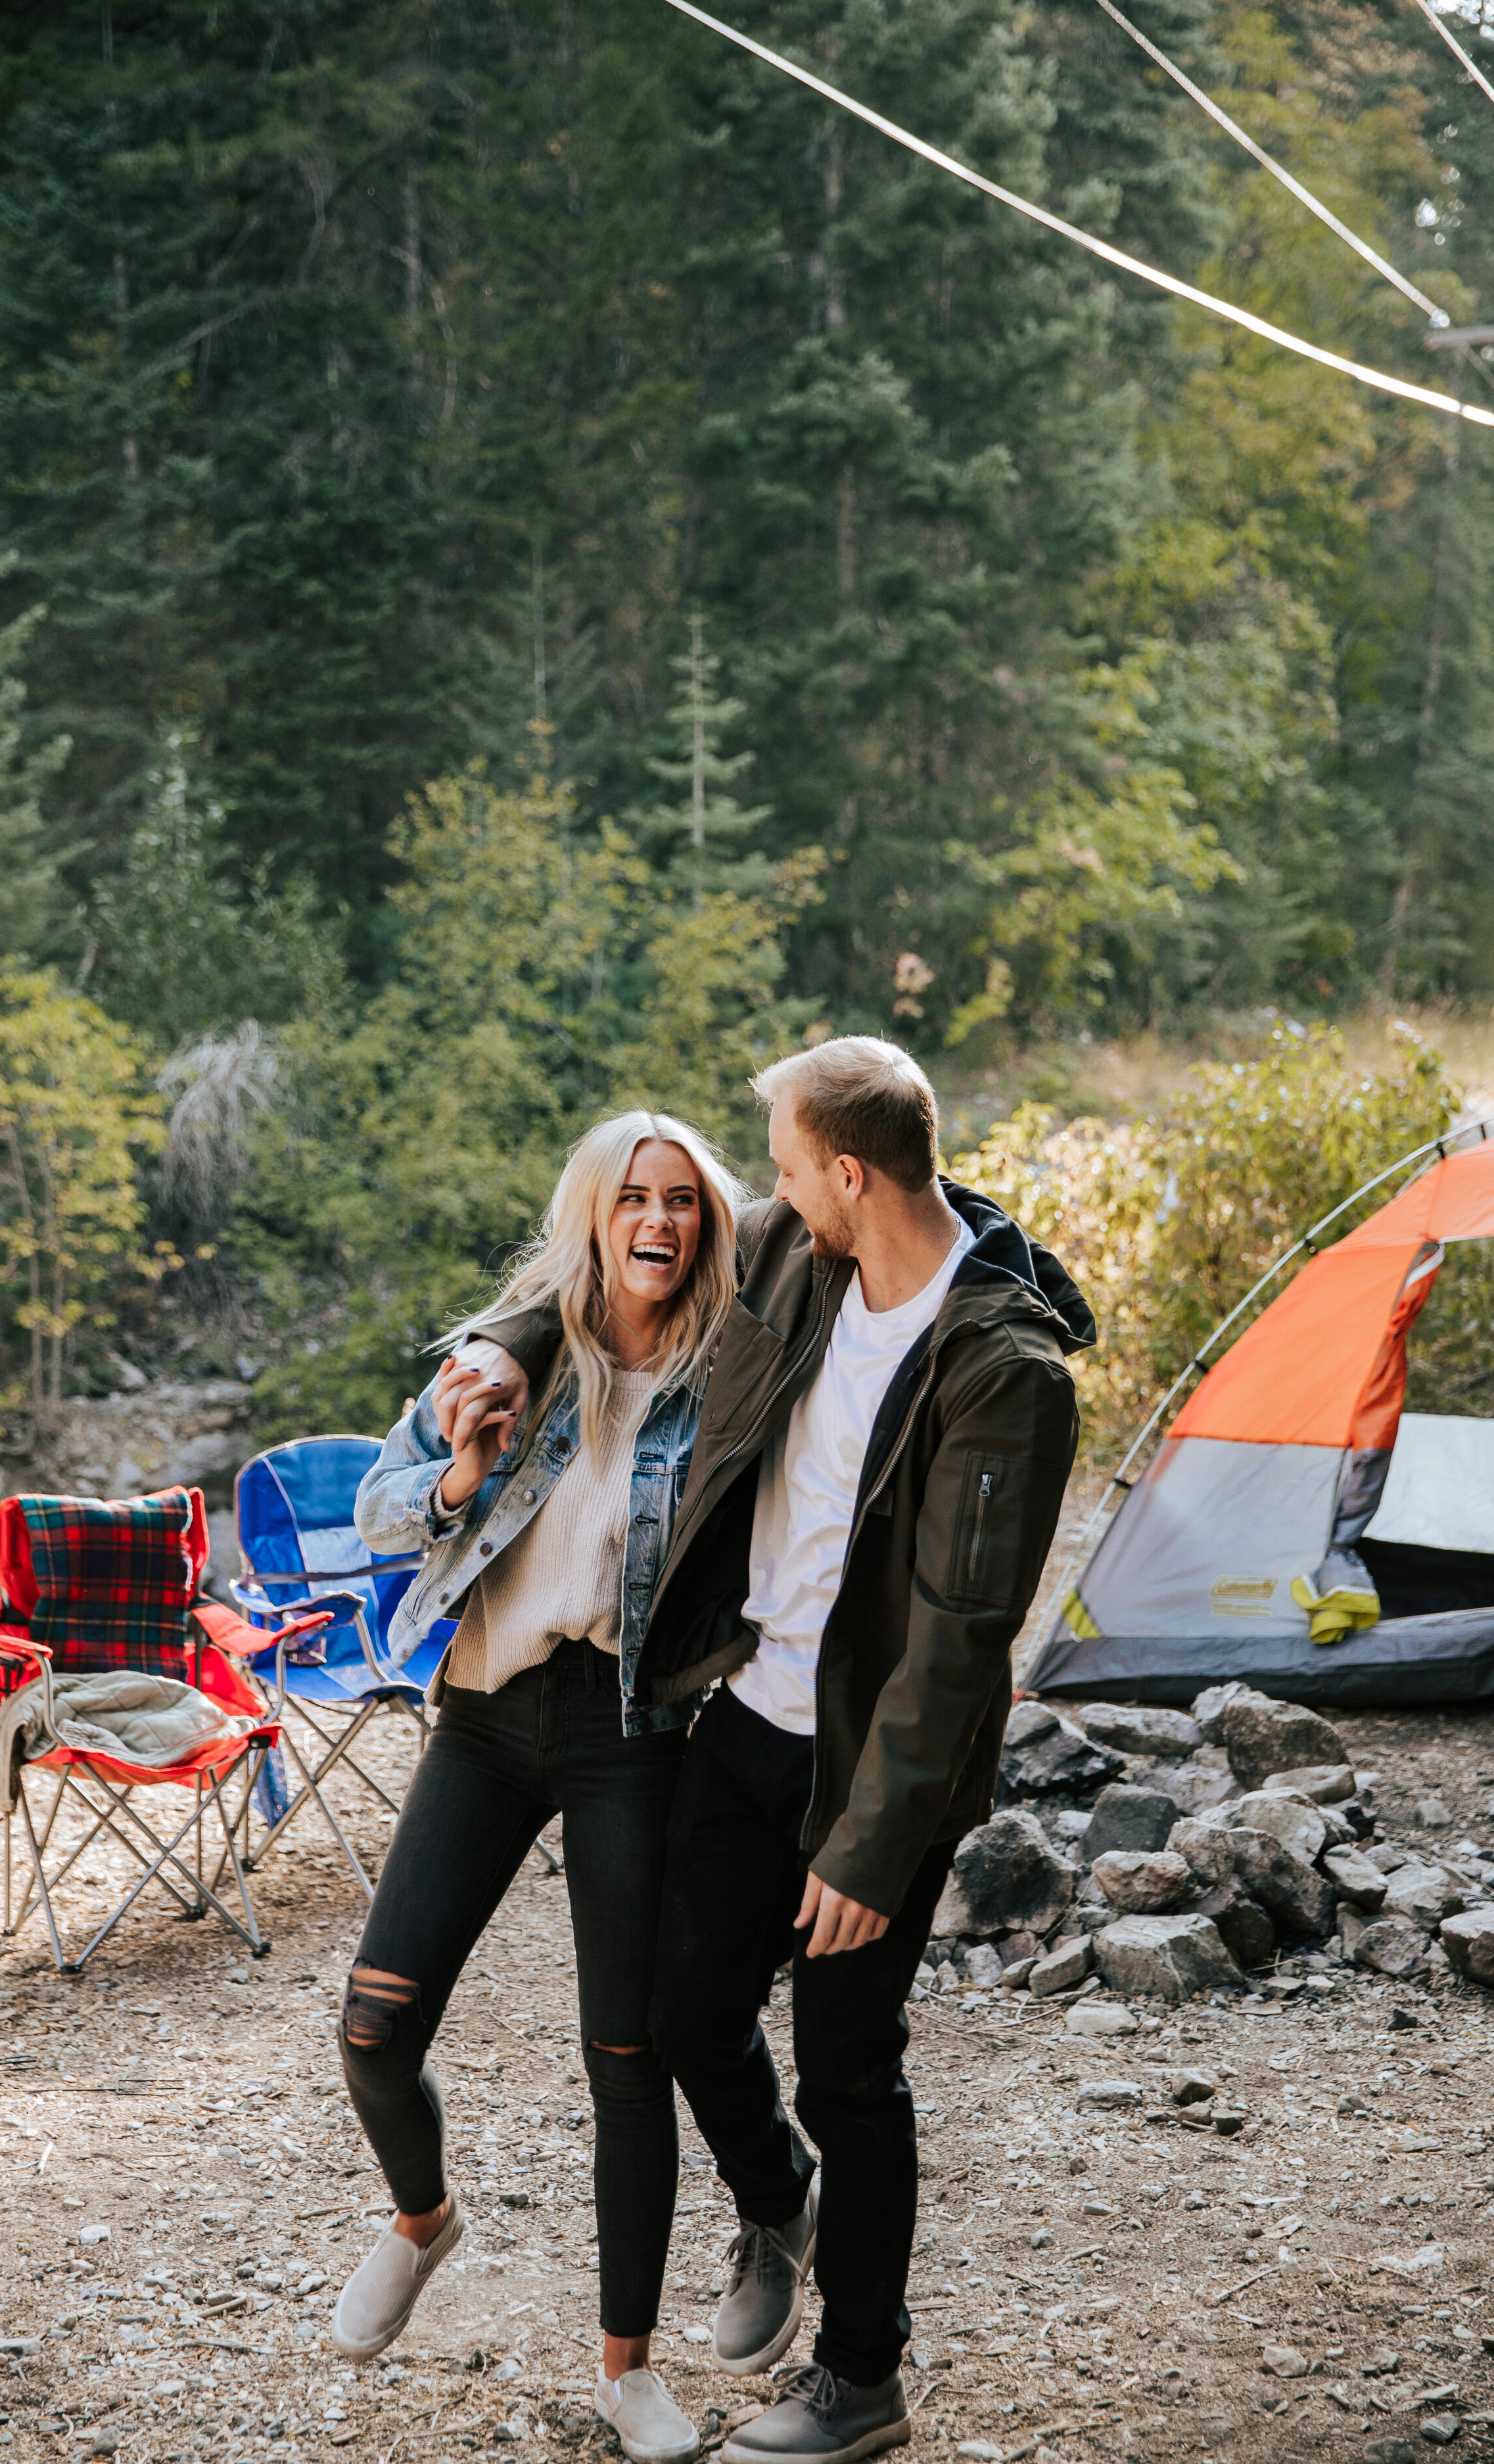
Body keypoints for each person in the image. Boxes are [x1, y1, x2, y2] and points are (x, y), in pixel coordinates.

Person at [477, 1038, 1092, 2464]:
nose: (765, 1190)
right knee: (681, 2013)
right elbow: (607, 1275)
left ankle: (859, 2375)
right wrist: (485, 1354)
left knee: (848, 2068)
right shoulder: (799, 1259)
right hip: (745, 1715)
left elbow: (955, 1636)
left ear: (849, 1172)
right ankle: (777, 2197)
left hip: (872, 1767)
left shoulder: (1002, 1373)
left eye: (783, 1164)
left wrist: (872, 1849)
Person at [331, 1110, 747, 2464]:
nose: (659, 1221)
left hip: (628, 1731)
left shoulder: (731, 1373)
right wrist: (460, 1470)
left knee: (624, 2064)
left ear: (706, 1223)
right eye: (633, 1196)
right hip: (487, 1712)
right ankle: (421, 2219)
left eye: (682, 1199)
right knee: (374, 2030)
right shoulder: (516, 1355)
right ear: (591, 1212)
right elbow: (380, 1513)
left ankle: (629, 2372)